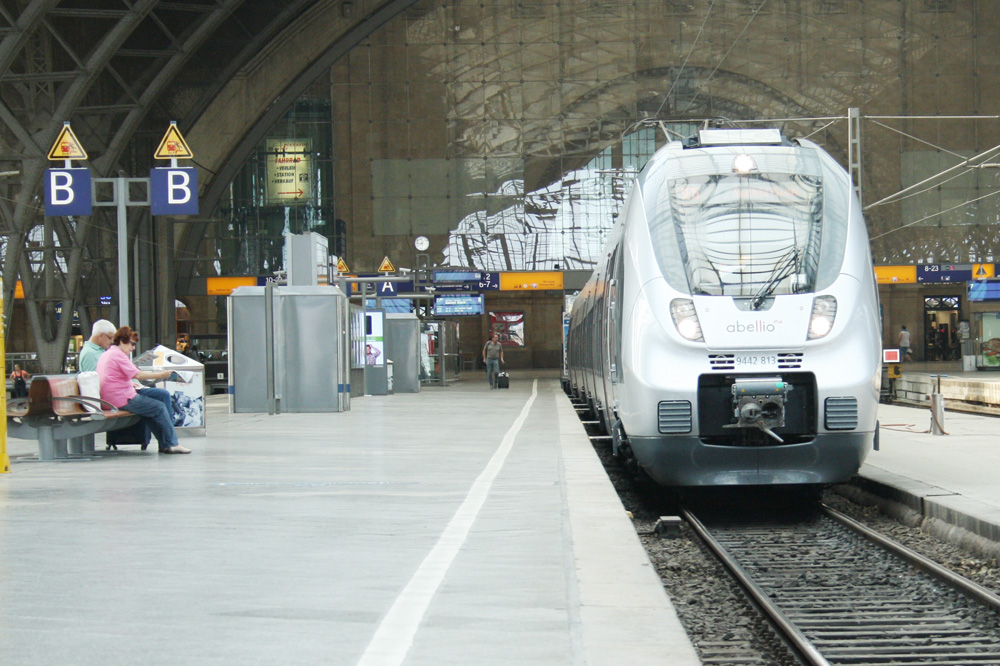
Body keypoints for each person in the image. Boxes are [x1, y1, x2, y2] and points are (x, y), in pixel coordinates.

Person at [96, 326, 191, 455]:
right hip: (120, 398)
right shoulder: (118, 355)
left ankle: (165, 443)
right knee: (158, 407)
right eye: (132, 344)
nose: (133, 348)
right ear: (122, 341)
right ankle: (172, 444)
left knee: (162, 395)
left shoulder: (110, 353)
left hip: (121, 392)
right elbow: (139, 375)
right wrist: (161, 375)